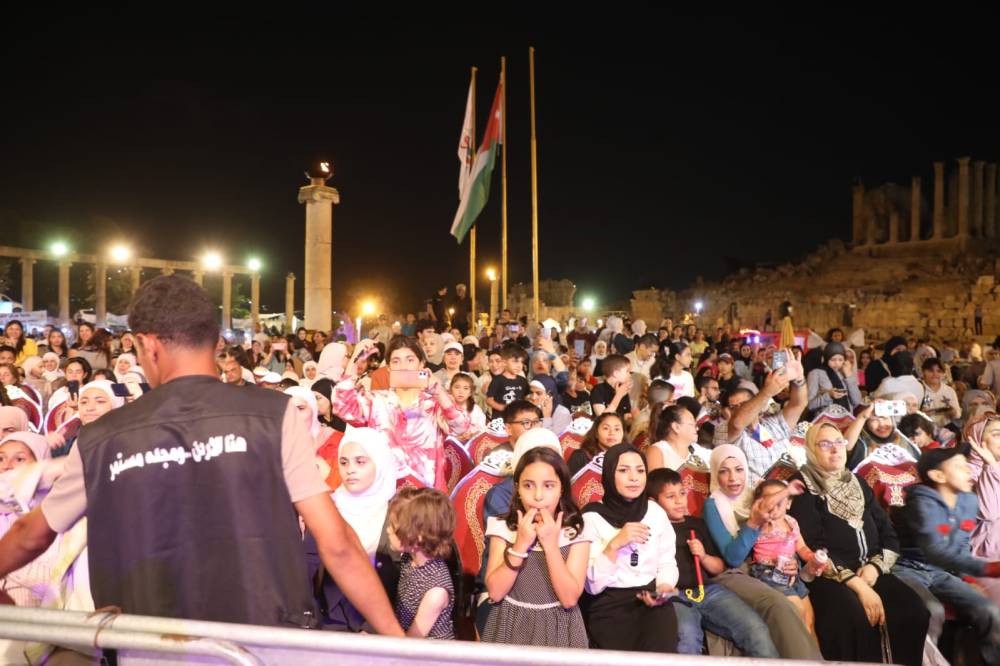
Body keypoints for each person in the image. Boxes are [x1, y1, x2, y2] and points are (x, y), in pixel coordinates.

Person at [0, 275, 403, 634]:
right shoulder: (275, 416)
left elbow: (31, 533)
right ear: (217, 341)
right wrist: (399, 643)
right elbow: (337, 544)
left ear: (147, 345)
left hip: (148, 645)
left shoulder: (100, 439)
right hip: (263, 641)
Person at [788, 422, 929, 665]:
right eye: (825, 444)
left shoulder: (857, 481)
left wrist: (874, 569)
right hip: (828, 576)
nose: (835, 449)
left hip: (870, 571)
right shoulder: (802, 485)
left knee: (914, 611)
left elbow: (888, 535)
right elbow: (812, 547)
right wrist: (859, 587)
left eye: (839, 442)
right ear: (811, 449)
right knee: (853, 618)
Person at [701, 445, 822, 659]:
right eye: (724, 471)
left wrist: (794, 562)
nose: (733, 478)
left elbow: (784, 534)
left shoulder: (753, 495)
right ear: (715, 474)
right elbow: (733, 558)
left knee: (810, 618)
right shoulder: (714, 505)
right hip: (735, 571)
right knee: (787, 608)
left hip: (776, 567)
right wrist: (753, 522)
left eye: (739, 469)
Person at [647, 468, 779, 657]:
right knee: (687, 636)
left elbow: (719, 568)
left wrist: (703, 556)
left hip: (708, 591)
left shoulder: (696, 524)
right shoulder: (651, 530)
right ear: (653, 502)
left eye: (682, 493)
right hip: (675, 595)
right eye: (670, 496)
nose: (679, 501)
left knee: (755, 628)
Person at [892, 446, 1000, 664]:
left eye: (966, 465)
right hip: (907, 569)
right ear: (938, 475)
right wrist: (987, 569)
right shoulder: (921, 503)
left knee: (988, 609)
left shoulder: (968, 501)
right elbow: (936, 550)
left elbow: (962, 543)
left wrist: (967, 579)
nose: (968, 471)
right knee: (931, 612)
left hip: (940, 572)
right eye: (959, 467)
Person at [481, 447, 591, 647]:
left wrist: (550, 545)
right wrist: (521, 544)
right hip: (510, 624)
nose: (538, 496)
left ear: (562, 489)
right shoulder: (502, 527)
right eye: (528, 486)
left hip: (559, 626)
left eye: (548, 486)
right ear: (518, 489)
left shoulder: (577, 531)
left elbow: (569, 599)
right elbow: (495, 592)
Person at [331, 336, 470, 491]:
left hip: (429, 496)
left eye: (410, 360)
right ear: (389, 368)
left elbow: (461, 427)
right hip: (387, 493)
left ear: (422, 364)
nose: (403, 366)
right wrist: (355, 361)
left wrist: (439, 393)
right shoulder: (376, 401)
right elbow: (341, 405)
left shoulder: (435, 403)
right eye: (396, 361)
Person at [580, 444, 679, 652]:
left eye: (640, 471)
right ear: (609, 474)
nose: (634, 478)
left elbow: (667, 561)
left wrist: (663, 587)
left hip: (651, 601)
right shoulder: (591, 517)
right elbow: (592, 586)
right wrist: (615, 544)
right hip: (609, 605)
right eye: (624, 470)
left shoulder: (656, 512)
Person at [747, 480, 822, 641]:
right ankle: (799, 652)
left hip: (791, 573)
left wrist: (813, 558)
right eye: (769, 500)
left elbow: (802, 548)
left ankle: (815, 654)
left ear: (788, 503)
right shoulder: (763, 523)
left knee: (810, 620)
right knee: (798, 611)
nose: (773, 506)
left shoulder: (792, 522)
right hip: (768, 573)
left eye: (779, 501)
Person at [721, 355, 808, 484]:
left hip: (788, 489)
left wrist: (799, 379)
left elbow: (798, 405)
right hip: (756, 494)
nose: (740, 409)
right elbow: (738, 422)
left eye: (745, 404)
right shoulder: (725, 432)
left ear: (757, 404)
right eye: (734, 407)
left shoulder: (773, 424)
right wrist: (768, 391)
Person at [387, 486, 456, 639]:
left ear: (418, 536)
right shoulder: (409, 559)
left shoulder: (436, 592)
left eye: (394, 526)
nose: (388, 530)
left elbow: (413, 640)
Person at [646, 404, 710, 471]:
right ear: (676, 427)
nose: (697, 428)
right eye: (692, 424)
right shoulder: (658, 450)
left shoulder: (695, 449)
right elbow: (657, 477)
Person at [806, 342, 861, 415]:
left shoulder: (845, 372)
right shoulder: (816, 373)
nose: (837, 363)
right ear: (826, 358)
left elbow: (856, 401)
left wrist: (849, 376)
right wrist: (829, 395)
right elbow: (810, 405)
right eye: (833, 359)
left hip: (846, 418)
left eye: (840, 360)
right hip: (826, 419)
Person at [568, 412, 625, 477]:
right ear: (596, 433)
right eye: (606, 428)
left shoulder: (629, 457)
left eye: (617, 429)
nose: (612, 433)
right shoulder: (580, 456)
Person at [485, 344, 529, 418]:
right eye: (515, 361)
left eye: (521, 362)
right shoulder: (497, 380)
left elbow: (527, 397)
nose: (519, 366)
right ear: (504, 362)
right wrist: (504, 408)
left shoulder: (523, 381)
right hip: (500, 419)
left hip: (518, 418)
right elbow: (489, 400)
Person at [918, 357, 961, 428]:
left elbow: (957, 415)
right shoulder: (918, 389)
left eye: (939, 371)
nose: (935, 374)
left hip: (946, 428)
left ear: (943, 374)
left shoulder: (949, 390)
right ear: (923, 372)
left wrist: (952, 412)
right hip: (925, 428)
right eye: (931, 371)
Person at [589, 354, 633, 420]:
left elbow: (626, 415)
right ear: (616, 373)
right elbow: (602, 418)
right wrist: (619, 395)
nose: (630, 374)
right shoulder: (598, 390)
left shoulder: (623, 390)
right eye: (627, 371)